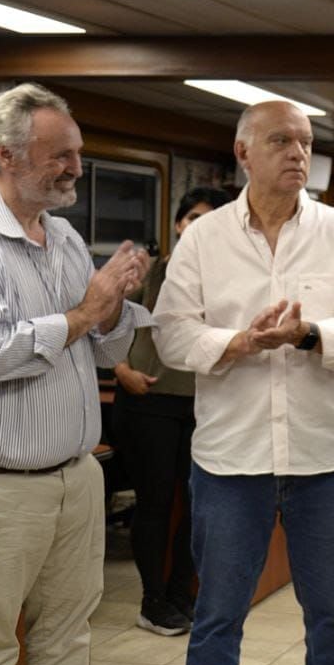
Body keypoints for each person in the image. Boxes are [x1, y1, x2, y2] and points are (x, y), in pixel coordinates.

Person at [153, 101, 334, 665]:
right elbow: (169, 335)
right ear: (243, 152)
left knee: (331, 616)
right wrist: (240, 342)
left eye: (305, 142)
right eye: (282, 141)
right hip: (231, 461)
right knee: (217, 615)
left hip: (325, 458)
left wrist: (307, 336)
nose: (298, 154)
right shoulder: (204, 238)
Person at [0, 83, 150, 665]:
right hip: (3, 490)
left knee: (66, 640)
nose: (75, 168)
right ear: (5, 155)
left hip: (79, 479)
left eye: (77, 153)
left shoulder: (67, 238)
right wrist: (85, 313)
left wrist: (113, 312)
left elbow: (107, 354)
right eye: (59, 154)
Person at [114, 186, 231, 636]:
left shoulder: (227, 280)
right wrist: (121, 368)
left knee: (198, 504)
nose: (199, 227)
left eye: (211, 220)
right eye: (193, 218)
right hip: (149, 400)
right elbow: (107, 325)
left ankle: (183, 594)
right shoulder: (153, 272)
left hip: (205, 405)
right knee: (156, 503)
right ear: (180, 223)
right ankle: (152, 600)